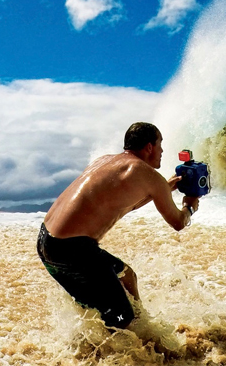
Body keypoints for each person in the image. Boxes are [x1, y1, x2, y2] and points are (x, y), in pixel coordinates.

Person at [36, 122, 199, 329]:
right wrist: (190, 206)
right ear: (149, 147)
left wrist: (165, 188)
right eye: (160, 144)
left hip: (46, 242)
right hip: (73, 249)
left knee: (124, 278)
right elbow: (178, 222)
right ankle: (131, 343)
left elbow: (125, 204)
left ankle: (128, 333)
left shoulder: (104, 161)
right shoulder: (147, 175)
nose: (162, 151)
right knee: (122, 316)